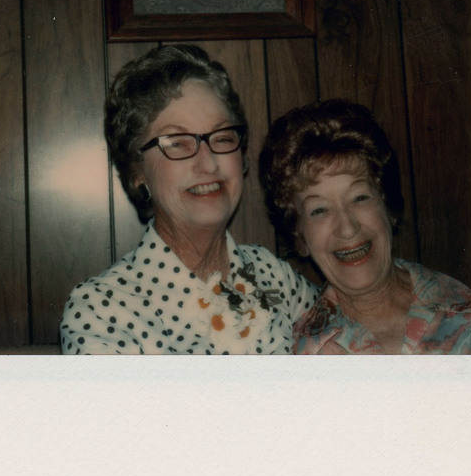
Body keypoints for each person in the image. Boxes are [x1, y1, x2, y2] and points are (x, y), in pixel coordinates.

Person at [60, 44, 317, 354]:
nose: (208, 164)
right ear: (136, 170)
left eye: (222, 138)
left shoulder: (275, 277)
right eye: (177, 143)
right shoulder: (102, 311)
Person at [258, 99, 471, 355]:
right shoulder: (302, 356)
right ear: (300, 237)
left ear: (387, 205)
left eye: (359, 198)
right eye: (319, 210)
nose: (347, 229)